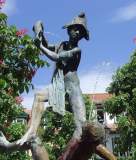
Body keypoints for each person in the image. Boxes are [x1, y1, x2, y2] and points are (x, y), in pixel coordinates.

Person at [19, 12, 89, 146]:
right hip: (59, 86)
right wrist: (39, 30)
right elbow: (46, 44)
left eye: (80, 31)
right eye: (75, 29)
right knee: (39, 96)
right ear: (69, 30)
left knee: (81, 124)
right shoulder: (61, 44)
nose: (77, 33)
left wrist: (39, 46)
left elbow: (56, 57)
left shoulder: (77, 50)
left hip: (73, 88)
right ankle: (32, 132)